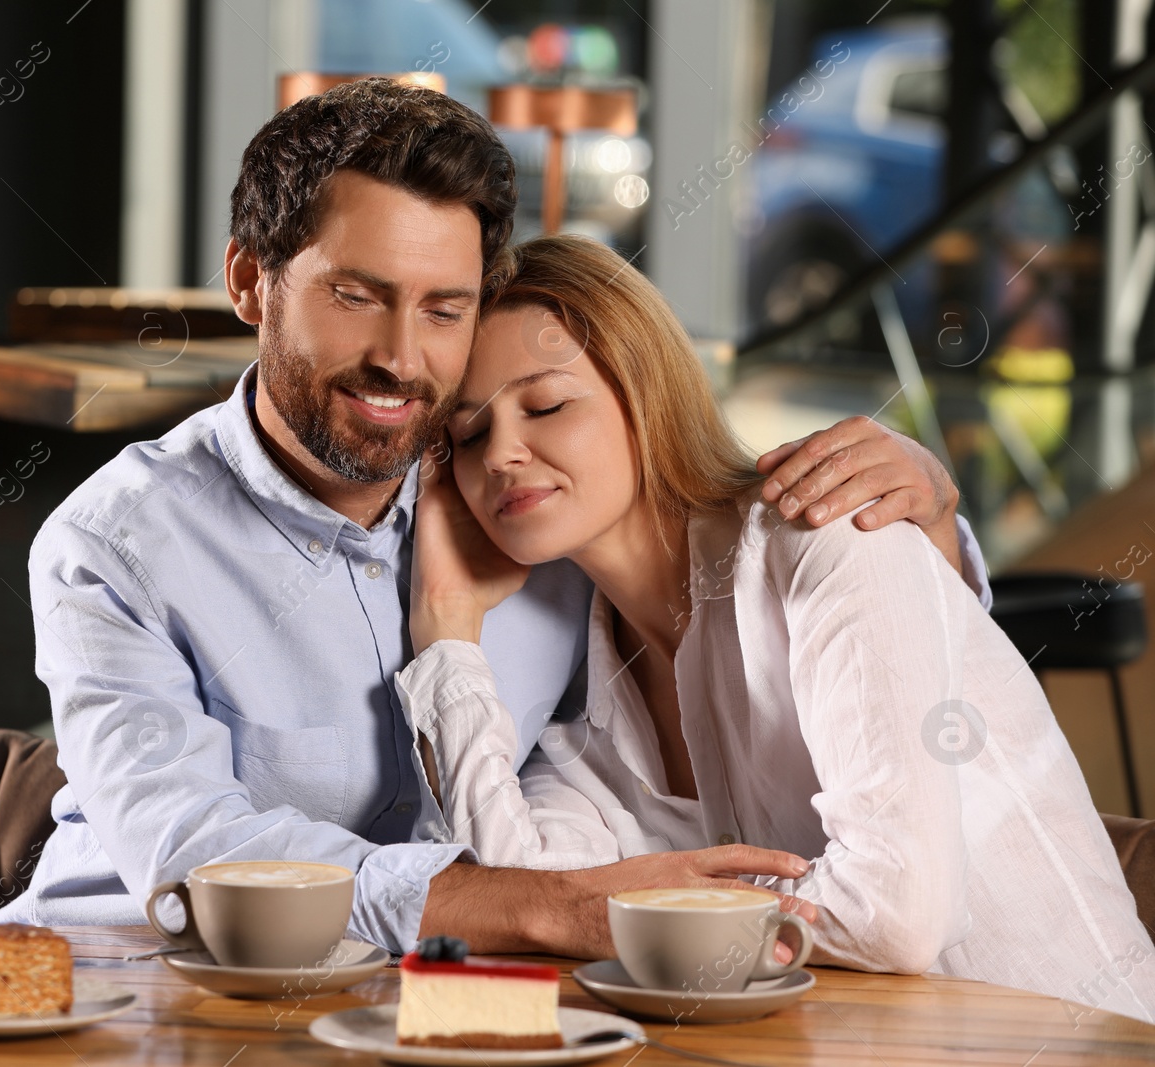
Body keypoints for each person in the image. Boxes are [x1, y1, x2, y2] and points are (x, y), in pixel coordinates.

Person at [0, 79, 991, 959]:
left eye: (443, 308)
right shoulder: (114, 545)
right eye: (356, 294)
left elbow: (730, 561)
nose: (399, 355)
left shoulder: (523, 503)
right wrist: (544, 908)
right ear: (251, 281)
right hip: (123, 980)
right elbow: (193, 854)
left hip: (424, 1007)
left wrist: (925, 505)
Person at [401, 233, 1154, 1019]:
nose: (503, 453)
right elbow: (532, 903)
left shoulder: (829, 538)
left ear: (643, 387)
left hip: (1096, 1041)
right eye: (468, 434)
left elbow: (900, 914)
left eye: (546, 403)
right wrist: (449, 634)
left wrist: (662, 907)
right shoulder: (591, 711)